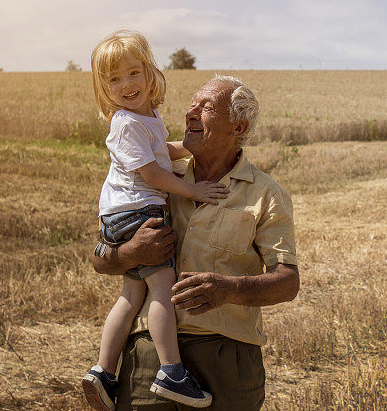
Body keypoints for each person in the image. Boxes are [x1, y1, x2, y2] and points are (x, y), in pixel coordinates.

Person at [91, 76, 300, 411]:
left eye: (206, 107)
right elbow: (100, 258)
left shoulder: (266, 193)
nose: (191, 112)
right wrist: (130, 252)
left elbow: (288, 283)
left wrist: (229, 289)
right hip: (147, 359)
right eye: (192, 103)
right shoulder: (155, 177)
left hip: (225, 360)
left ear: (237, 126)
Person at [83, 31, 227, 411]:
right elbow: (152, 173)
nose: (126, 84)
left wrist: (190, 147)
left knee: (132, 296)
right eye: (113, 79)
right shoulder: (127, 123)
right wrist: (193, 190)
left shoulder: (146, 117)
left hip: (122, 213)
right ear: (103, 88)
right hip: (138, 212)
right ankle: (171, 372)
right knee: (162, 289)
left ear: (149, 73)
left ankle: (103, 372)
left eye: (132, 73)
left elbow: (161, 151)